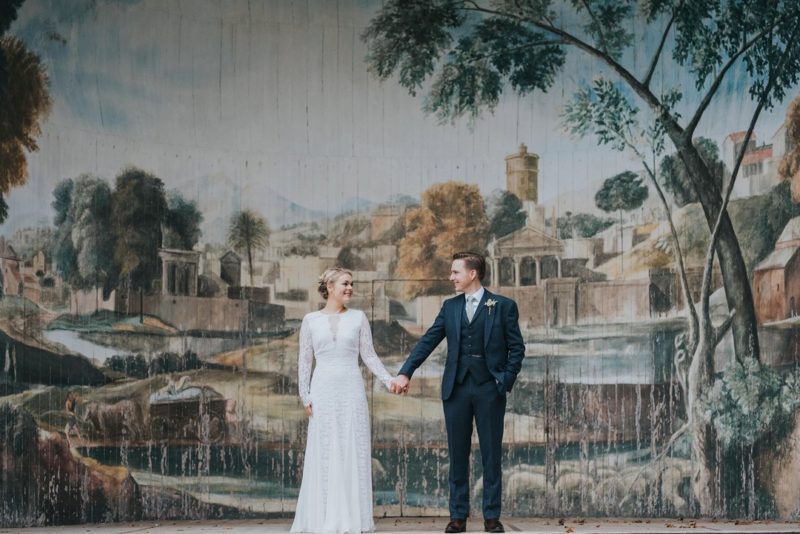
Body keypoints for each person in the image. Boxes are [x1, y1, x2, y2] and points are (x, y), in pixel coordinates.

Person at [392, 252, 525, 533]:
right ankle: (458, 516)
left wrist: (505, 380)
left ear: (472, 273)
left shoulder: (502, 306)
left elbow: (517, 348)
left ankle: (491, 517)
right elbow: (428, 340)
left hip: (490, 389)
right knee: (457, 454)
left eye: (455, 272)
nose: (451, 277)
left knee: (491, 454)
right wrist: (406, 371)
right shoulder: (450, 307)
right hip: (456, 389)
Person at [291, 267, 398, 534]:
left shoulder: (359, 318)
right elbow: (304, 361)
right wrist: (305, 394)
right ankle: (323, 516)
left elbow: (369, 356)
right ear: (329, 286)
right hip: (323, 389)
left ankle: (353, 518)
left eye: (352, 284)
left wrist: (390, 380)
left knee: (352, 446)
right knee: (325, 449)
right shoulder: (310, 320)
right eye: (345, 283)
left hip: (351, 388)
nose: (350, 288)